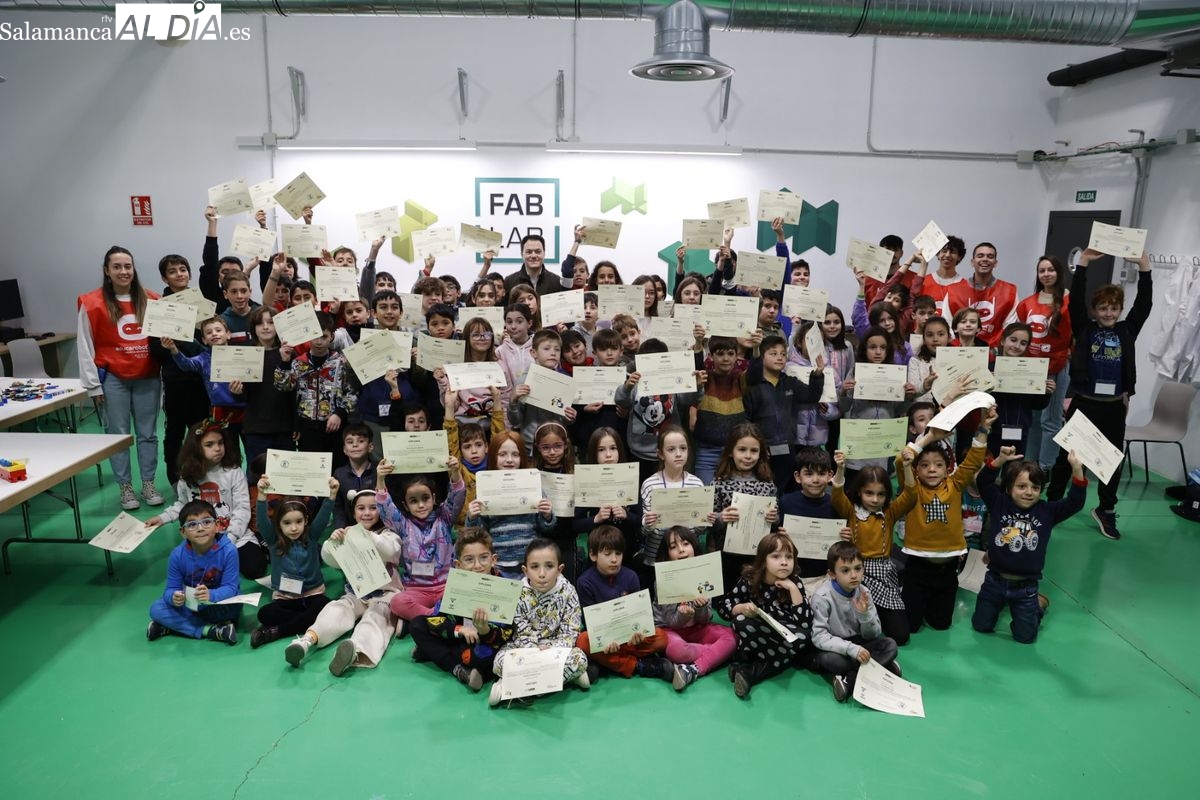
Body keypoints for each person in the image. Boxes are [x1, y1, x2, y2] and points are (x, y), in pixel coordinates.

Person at [1046, 249, 1152, 541]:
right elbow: (1077, 298)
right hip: (1084, 405)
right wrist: (1083, 264)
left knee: (1111, 461)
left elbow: (1144, 304)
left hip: (1113, 407)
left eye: (1113, 308)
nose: (1108, 313)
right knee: (1066, 457)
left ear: (1119, 310)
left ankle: (1106, 509)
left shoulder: (1127, 330)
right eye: (1103, 308)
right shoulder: (1085, 328)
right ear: (1094, 311)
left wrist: (1145, 268)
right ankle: (1053, 504)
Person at [77, 245, 163, 511]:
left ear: (133, 269)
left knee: (148, 434)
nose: (123, 271)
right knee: (118, 435)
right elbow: (84, 345)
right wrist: (93, 386)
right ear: (107, 270)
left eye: (128, 266)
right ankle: (125, 487)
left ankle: (148, 483)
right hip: (113, 378)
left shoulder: (152, 299)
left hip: (148, 376)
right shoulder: (92, 303)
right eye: (117, 266)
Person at [972, 446, 1087, 643]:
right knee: (980, 625)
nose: (1029, 492)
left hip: (1025, 587)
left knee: (1025, 637)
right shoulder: (999, 503)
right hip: (994, 581)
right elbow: (983, 482)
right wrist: (999, 460)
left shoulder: (1047, 511)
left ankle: (1037, 607)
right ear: (1009, 488)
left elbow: (1075, 502)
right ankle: (1002, 605)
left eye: (1035, 488)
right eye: (1022, 486)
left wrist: (1077, 469)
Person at [283, 489, 402, 675]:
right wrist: (332, 543)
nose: (367, 513)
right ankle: (307, 640)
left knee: (375, 619)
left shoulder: (388, 534)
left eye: (373, 508)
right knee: (336, 609)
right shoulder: (347, 533)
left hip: (385, 595)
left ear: (381, 510)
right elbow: (331, 561)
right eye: (361, 508)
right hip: (356, 592)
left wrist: (369, 536)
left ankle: (355, 649)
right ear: (353, 513)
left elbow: (391, 551)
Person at [898, 406, 996, 633]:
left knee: (941, 624)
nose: (932, 469)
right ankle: (906, 589)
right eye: (924, 465)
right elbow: (901, 461)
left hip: (948, 569)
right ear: (916, 469)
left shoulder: (955, 484)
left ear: (947, 469)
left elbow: (973, 460)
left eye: (939, 465)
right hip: (918, 567)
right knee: (911, 627)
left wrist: (983, 429)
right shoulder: (912, 489)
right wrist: (929, 437)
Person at [146, 420, 261, 577]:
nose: (217, 448)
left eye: (220, 443)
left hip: (233, 534)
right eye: (209, 445)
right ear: (196, 448)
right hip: (202, 536)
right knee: (195, 573)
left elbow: (242, 509)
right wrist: (162, 518)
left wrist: (230, 539)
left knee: (255, 569)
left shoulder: (234, 472)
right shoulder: (188, 475)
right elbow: (183, 505)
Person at [409, 528, 513, 692]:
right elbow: (437, 618)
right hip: (457, 638)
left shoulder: (506, 590)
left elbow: (507, 635)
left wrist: (485, 630)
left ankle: (431, 652)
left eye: (484, 557)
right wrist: (459, 630)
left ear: (493, 560)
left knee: (486, 659)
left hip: (483, 644)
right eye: (469, 559)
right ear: (458, 565)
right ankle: (458, 669)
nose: (477, 565)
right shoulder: (455, 586)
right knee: (417, 625)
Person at [490, 539, 591, 707]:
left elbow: (570, 631)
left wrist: (552, 649)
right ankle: (562, 680)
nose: (542, 574)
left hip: (557, 651)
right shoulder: (517, 592)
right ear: (525, 570)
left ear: (559, 569)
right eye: (535, 567)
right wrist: (534, 650)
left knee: (579, 659)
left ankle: (513, 686)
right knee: (499, 661)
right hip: (525, 649)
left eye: (549, 566)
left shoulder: (568, 591)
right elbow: (521, 629)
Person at [830, 450, 917, 645]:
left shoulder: (890, 512)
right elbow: (836, 496)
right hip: (856, 572)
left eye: (881, 494)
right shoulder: (851, 511)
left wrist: (907, 466)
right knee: (856, 630)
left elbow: (910, 495)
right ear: (859, 492)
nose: (875, 499)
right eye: (869, 493)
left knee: (900, 636)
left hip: (884, 573)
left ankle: (878, 614)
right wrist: (841, 468)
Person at [714, 532, 813, 699]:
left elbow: (805, 624)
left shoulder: (795, 582)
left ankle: (748, 671)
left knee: (805, 637)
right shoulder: (750, 579)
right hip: (759, 633)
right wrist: (742, 608)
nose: (784, 562)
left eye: (789, 557)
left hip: (783, 635)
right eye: (776, 556)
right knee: (740, 621)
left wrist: (793, 590)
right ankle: (781, 659)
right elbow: (724, 606)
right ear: (763, 559)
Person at [377, 457, 467, 634]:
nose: (420, 505)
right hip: (417, 590)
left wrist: (455, 472)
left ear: (434, 498)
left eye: (425, 498)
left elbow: (457, 497)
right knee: (397, 602)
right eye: (413, 501)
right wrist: (380, 478)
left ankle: (418, 621)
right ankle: (435, 618)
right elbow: (385, 508)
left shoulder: (445, 517)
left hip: (447, 586)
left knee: (468, 594)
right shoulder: (402, 524)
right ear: (405, 505)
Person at [575, 526, 673, 683]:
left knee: (661, 637)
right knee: (583, 641)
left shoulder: (631, 576)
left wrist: (638, 634)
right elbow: (589, 624)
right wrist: (607, 640)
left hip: (629, 637)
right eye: (607, 554)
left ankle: (607, 663)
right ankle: (638, 666)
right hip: (604, 638)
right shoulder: (584, 582)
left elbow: (638, 616)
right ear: (593, 555)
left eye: (618, 553)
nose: (614, 559)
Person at [250, 477, 338, 649]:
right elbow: (261, 521)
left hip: (313, 595)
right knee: (265, 614)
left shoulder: (311, 536)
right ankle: (307, 622)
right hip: (286, 598)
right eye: (287, 523)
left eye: (299, 521)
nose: (294, 528)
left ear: (306, 521)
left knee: (326, 606)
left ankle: (277, 631)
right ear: (278, 524)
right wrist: (261, 495)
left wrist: (332, 495)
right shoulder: (273, 540)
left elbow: (323, 516)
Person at [811, 541, 903, 702]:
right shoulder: (822, 597)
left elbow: (873, 634)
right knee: (828, 660)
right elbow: (819, 637)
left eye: (858, 568)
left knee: (890, 645)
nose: (854, 575)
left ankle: (850, 679)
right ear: (832, 574)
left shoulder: (864, 592)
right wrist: (851, 649)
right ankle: (882, 667)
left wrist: (864, 615)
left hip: (861, 642)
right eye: (845, 570)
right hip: (837, 647)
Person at [151, 254, 210, 487]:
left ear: (189, 273)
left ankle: (203, 475)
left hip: (200, 380)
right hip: (175, 381)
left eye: (183, 269)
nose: (179, 274)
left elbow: (208, 341)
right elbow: (156, 349)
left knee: (202, 430)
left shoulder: (200, 303)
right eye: (172, 271)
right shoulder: (159, 309)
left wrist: (191, 336)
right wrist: (178, 342)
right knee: (174, 432)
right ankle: (175, 478)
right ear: (164, 278)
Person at [145, 500, 240, 645]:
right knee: (156, 608)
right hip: (191, 605)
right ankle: (211, 630)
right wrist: (174, 597)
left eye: (206, 522)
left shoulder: (229, 550)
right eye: (192, 525)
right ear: (183, 532)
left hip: (217, 604)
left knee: (235, 607)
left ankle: (172, 627)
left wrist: (211, 595)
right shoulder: (177, 555)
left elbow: (231, 588)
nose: (200, 528)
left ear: (217, 526)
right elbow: (170, 590)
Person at [653, 526, 736, 691]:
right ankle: (718, 653)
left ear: (694, 547)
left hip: (698, 628)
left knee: (732, 637)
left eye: (685, 544)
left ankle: (692, 669)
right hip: (670, 630)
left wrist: (700, 607)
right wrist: (683, 615)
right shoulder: (663, 580)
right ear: (667, 554)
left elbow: (705, 619)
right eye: (673, 547)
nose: (681, 550)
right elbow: (671, 622)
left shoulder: (704, 574)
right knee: (677, 651)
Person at [465, 431, 556, 578]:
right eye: (502, 454)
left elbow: (546, 528)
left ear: (522, 457)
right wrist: (472, 517)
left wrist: (547, 516)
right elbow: (479, 534)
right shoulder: (485, 488)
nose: (509, 460)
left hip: (530, 564)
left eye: (515, 454)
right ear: (493, 457)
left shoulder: (533, 485)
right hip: (498, 565)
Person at [1016, 255, 1073, 471]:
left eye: (1051, 270)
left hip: (1057, 366)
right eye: (1042, 270)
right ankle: (1029, 465)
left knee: (1051, 420)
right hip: (1031, 368)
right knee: (1032, 419)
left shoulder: (1069, 301)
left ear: (1059, 272)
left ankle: (1045, 468)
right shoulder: (1027, 303)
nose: (1046, 274)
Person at [945, 242, 1019, 347]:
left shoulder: (1009, 291)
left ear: (995, 263)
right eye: (980, 256)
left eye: (990, 256)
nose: (985, 259)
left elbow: (1010, 327)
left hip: (995, 351)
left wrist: (992, 349)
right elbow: (947, 324)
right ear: (972, 262)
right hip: (960, 350)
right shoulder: (953, 290)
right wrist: (961, 348)